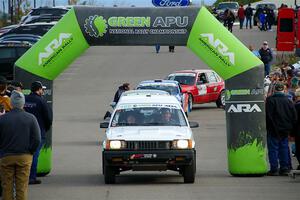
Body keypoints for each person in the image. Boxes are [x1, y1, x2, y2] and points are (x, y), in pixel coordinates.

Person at [0, 90, 41, 200]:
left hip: (6, 156)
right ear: (23, 103)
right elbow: (37, 139)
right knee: (21, 187)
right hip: (24, 156)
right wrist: (30, 151)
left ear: (11, 103)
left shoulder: (2, 119)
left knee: (6, 187)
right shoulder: (31, 118)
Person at [266, 82, 298, 176]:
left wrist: (269, 127)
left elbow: (268, 116)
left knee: (273, 149)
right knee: (284, 147)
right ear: (283, 90)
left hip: (273, 129)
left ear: (274, 89)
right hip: (285, 129)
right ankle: (285, 167)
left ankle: (274, 169)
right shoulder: (288, 101)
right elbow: (294, 116)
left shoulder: (270, 100)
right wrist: (291, 128)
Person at [24, 81, 53, 184]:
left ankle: (24, 176)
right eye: (42, 89)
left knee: (25, 155)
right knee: (34, 155)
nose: (43, 91)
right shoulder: (41, 101)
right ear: (39, 89)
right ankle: (31, 177)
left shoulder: (25, 99)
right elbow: (48, 118)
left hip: (25, 132)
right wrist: (46, 128)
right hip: (38, 132)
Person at [292, 89, 300, 170]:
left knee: (298, 150)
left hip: (298, 131)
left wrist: (292, 132)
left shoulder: (296, 106)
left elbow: (294, 119)